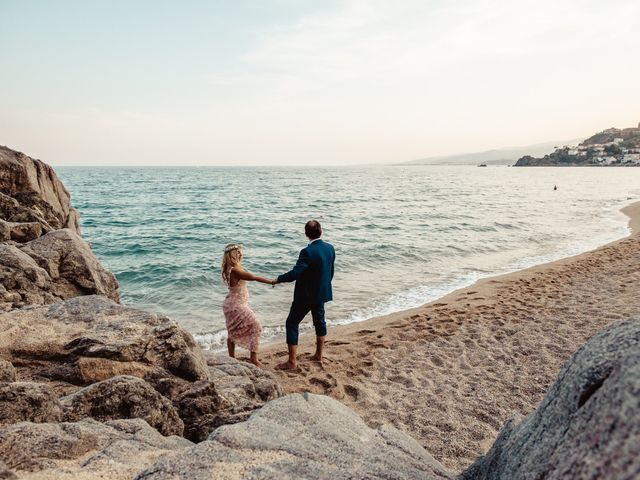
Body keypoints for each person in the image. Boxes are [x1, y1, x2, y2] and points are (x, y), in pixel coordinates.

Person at [273, 220, 336, 370]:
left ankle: (292, 362)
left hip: (306, 295)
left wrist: (278, 279)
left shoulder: (307, 252)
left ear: (306, 234)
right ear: (321, 231)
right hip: (321, 293)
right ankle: (319, 355)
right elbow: (330, 272)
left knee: (292, 323)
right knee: (320, 322)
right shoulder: (330, 248)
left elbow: (295, 273)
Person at [221, 243, 274, 367]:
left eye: (240, 252)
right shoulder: (235, 270)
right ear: (232, 254)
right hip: (236, 305)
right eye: (238, 252)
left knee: (232, 331)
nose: (241, 254)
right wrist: (272, 281)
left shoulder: (228, 268)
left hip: (231, 303)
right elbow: (253, 277)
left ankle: (232, 358)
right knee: (256, 326)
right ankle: (253, 359)